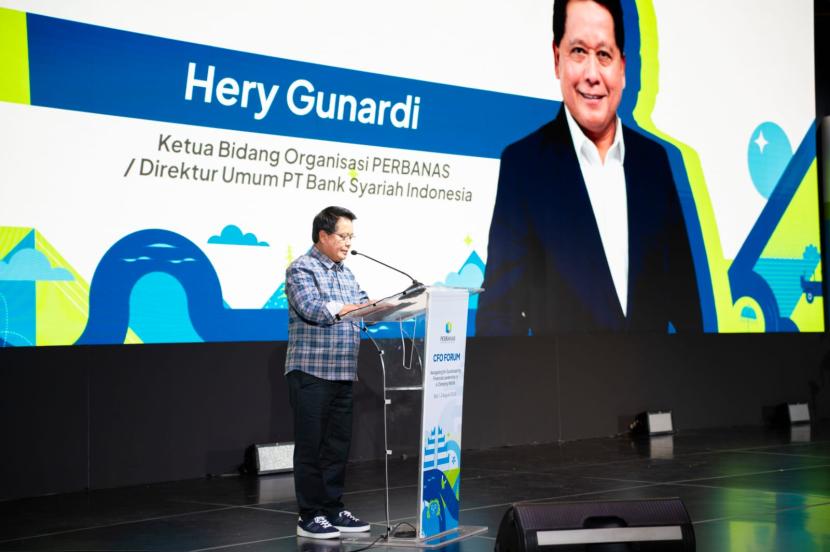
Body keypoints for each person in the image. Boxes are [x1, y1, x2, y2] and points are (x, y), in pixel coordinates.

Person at [477, 0, 701, 335]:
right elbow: (499, 318)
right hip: (559, 386)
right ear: (557, 59)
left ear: (623, 68)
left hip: (652, 386)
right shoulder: (524, 165)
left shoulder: (655, 163)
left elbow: (688, 313)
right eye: (579, 51)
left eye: (605, 55)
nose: (593, 75)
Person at [285, 206, 372, 539]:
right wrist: (353, 308)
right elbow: (312, 309)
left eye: (351, 237)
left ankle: (333, 508)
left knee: (337, 446)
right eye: (343, 236)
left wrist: (384, 308)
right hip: (311, 371)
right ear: (323, 235)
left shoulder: (346, 273)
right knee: (311, 446)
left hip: (343, 372)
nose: (348, 243)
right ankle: (309, 515)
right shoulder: (301, 269)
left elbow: (364, 305)